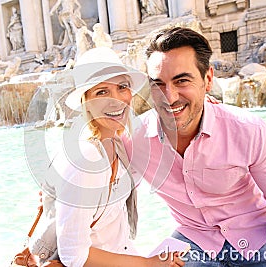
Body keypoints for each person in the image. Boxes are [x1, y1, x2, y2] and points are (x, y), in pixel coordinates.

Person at [124, 27, 266, 266]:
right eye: (158, 84)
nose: (169, 96)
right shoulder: (133, 139)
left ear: (207, 79)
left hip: (258, 236)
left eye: (182, 81)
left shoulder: (247, 129)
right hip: (192, 238)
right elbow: (104, 200)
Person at [40, 47, 185, 267]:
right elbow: (73, 256)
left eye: (122, 88)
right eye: (102, 92)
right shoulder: (85, 159)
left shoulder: (117, 143)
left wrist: (201, 105)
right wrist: (150, 264)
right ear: (85, 101)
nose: (117, 100)